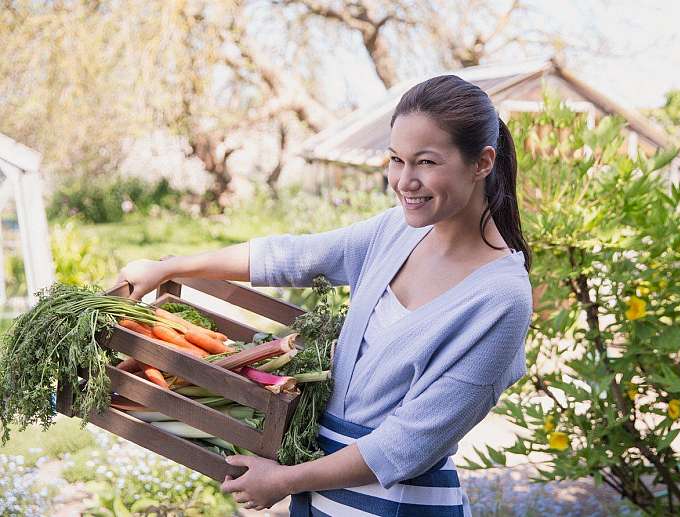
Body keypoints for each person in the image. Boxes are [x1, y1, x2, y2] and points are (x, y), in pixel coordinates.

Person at [116, 74, 533, 516]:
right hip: (321, 497)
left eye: (426, 162)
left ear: (483, 162)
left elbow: (409, 444)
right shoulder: (394, 232)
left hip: (396, 505)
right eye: (396, 159)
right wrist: (169, 266)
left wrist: (284, 480)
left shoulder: (500, 298)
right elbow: (294, 256)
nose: (404, 180)